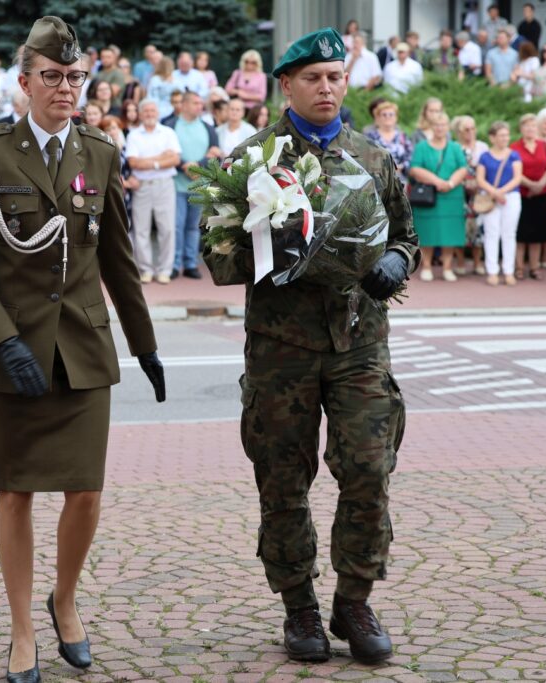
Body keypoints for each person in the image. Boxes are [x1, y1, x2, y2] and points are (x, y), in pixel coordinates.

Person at [0, 17, 165, 679]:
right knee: (14, 493)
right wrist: (0, 337)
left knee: (87, 491)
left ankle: (64, 597)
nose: (65, 87)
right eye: (52, 76)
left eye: (74, 76)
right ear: (25, 81)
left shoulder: (99, 151)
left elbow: (119, 260)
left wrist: (145, 344)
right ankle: (21, 632)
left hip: (82, 349)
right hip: (7, 351)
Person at [203, 26, 418, 667]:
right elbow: (214, 260)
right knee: (282, 480)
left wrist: (396, 265)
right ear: (286, 86)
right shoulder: (251, 161)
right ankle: (298, 607)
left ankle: (354, 600)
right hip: (282, 348)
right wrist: (270, 245)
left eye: (336, 77)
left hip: (358, 343)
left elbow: (405, 237)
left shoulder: (373, 158)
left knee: (369, 471)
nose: (326, 88)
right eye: (313, 79)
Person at [125, 99, 181, 283]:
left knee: (167, 229)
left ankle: (165, 269)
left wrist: (150, 163)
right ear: (140, 114)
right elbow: (133, 163)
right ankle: (145, 269)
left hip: (164, 184)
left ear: (157, 113)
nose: (149, 114)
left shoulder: (168, 132)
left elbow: (175, 159)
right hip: (142, 187)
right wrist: (160, 159)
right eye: (146, 111)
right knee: (141, 229)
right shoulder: (134, 135)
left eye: (152, 111)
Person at [168, 90, 221, 279]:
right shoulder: (171, 125)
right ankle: (174, 265)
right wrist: (185, 166)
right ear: (183, 105)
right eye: (196, 103)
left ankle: (190, 264)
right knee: (176, 226)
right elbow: (166, 150)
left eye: (201, 103)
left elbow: (216, 155)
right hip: (176, 185)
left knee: (192, 226)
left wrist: (197, 166)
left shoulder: (209, 128)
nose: (200, 106)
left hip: (200, 185)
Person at [410, 112, 469, 281]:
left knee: (450, 234)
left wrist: (450, 183)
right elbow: (414, 169)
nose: (440, 128)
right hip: (428, 198)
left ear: (448, 127)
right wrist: (437, 181)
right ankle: (426, 266)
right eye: (436, 125)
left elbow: (463, 168)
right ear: (431, 127)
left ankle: (447, 267)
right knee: (427, 232)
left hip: (452, 196)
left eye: (443, 125)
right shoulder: (422, 146)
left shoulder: (455, 147)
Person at [477, 121, 524, 285]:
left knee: (509, 233)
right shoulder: (485, 156)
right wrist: (495, 193)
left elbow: (517, 177)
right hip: (490, 197)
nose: (505, 138)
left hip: (510, 197)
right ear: (492, 137)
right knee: (491, 233)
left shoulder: (514, 155)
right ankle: (492, 270)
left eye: (506, 135)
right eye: (501, 135)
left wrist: (502, 192)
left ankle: (509, 270)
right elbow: (480, 179)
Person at [512, 114, 546, 279]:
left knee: (538, 233)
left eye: (533, 126)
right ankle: (519, 267)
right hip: (522, 194)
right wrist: (530, 184)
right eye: (527, 126)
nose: (530, 129)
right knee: (521, 233)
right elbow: (514, 170)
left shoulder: (544, 145)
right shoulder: (515, 147)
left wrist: (541, 184)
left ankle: (535, 266)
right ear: (521, 129)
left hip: (541, 194)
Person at [453, 114, 489, 275]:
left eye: (473, 128)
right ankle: (460, 263)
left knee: (478, 229)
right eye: (466, 129)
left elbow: (489, 167)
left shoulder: (482, 146)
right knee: (459, 227)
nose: (470, 132)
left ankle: (477, 263)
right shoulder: (454, 147)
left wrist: (479, 183)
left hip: (479, 192)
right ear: (459, 131)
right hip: (459, 192)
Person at [365, 101, 412, 184]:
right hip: (377, 182)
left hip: (400, 181)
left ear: (396, 117)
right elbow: (365, 158)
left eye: (391, 114)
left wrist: (402, 166)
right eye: (384, 114)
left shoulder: (402, 136)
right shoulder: (370, 137)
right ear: (378, 117)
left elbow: (410, 157)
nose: (388, 117)